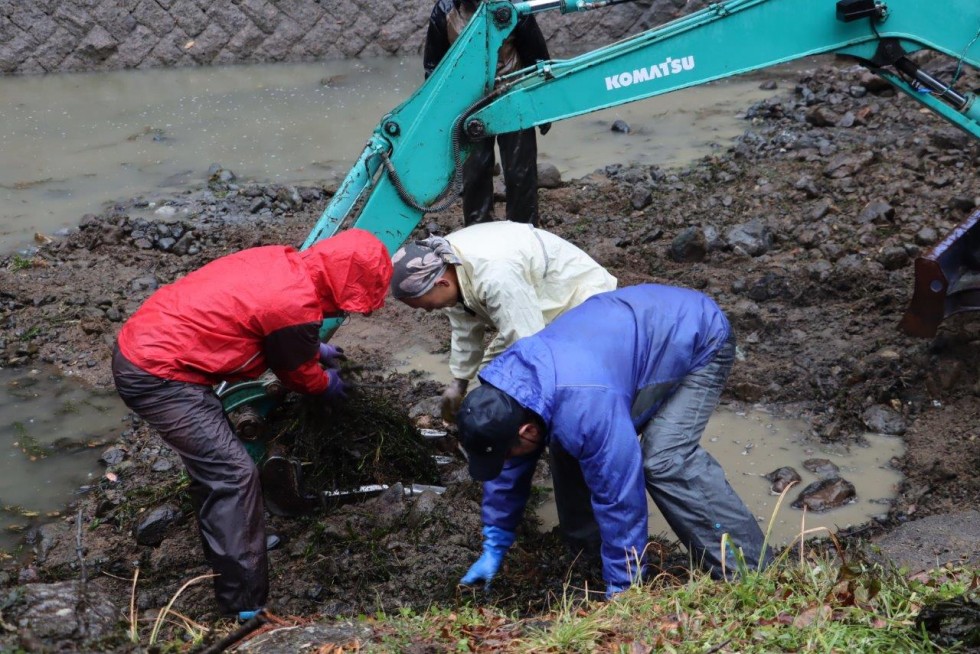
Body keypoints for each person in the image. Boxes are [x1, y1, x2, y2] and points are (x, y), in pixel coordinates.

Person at [111, 228, 393, 620]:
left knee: (214, 466)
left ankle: (236, 546)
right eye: (351, 300)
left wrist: (311, 345)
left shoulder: (283, 260)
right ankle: (244, 604)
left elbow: (257, 320)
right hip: (159, 376)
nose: (346, 309)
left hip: (146, 343)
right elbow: (297, 375)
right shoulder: (295, 307)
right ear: (344, 284)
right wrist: (327, 382)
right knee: (233, 475)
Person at [454, 284, 772, 599]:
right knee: (568, 445)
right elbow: (508, 466)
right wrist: (494, 541)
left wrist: (625, 589)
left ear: (527, 433)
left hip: (695, 336)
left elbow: (621, 497)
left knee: (663, 460)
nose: (507, 461)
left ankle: (751, 571)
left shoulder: (584, 407)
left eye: (509, 453)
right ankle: (588, 563)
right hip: (619, 342)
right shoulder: (508, 390)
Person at [390, 220, 616, 556]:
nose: (426, 311)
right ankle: (506, 443)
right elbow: (465, 324)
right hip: (535, 305)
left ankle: (534, 442)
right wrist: (460, 381)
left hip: (579, 304)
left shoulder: (494, 275)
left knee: (529, 387)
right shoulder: (448, 264)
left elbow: (528, 345)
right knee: (490, 376)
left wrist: (523, 407)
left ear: (440, 281)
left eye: (424, 304)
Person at [423, 0, 551, 226]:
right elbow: (433, 67)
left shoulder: (513, 6)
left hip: (512, 96)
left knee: (520, 172)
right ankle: (479, 232)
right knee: (475, 173)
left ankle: (525, 232)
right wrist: (438, 114)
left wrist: (543, 106)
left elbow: (538, 58)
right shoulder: (444, 11)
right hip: (468, 104)